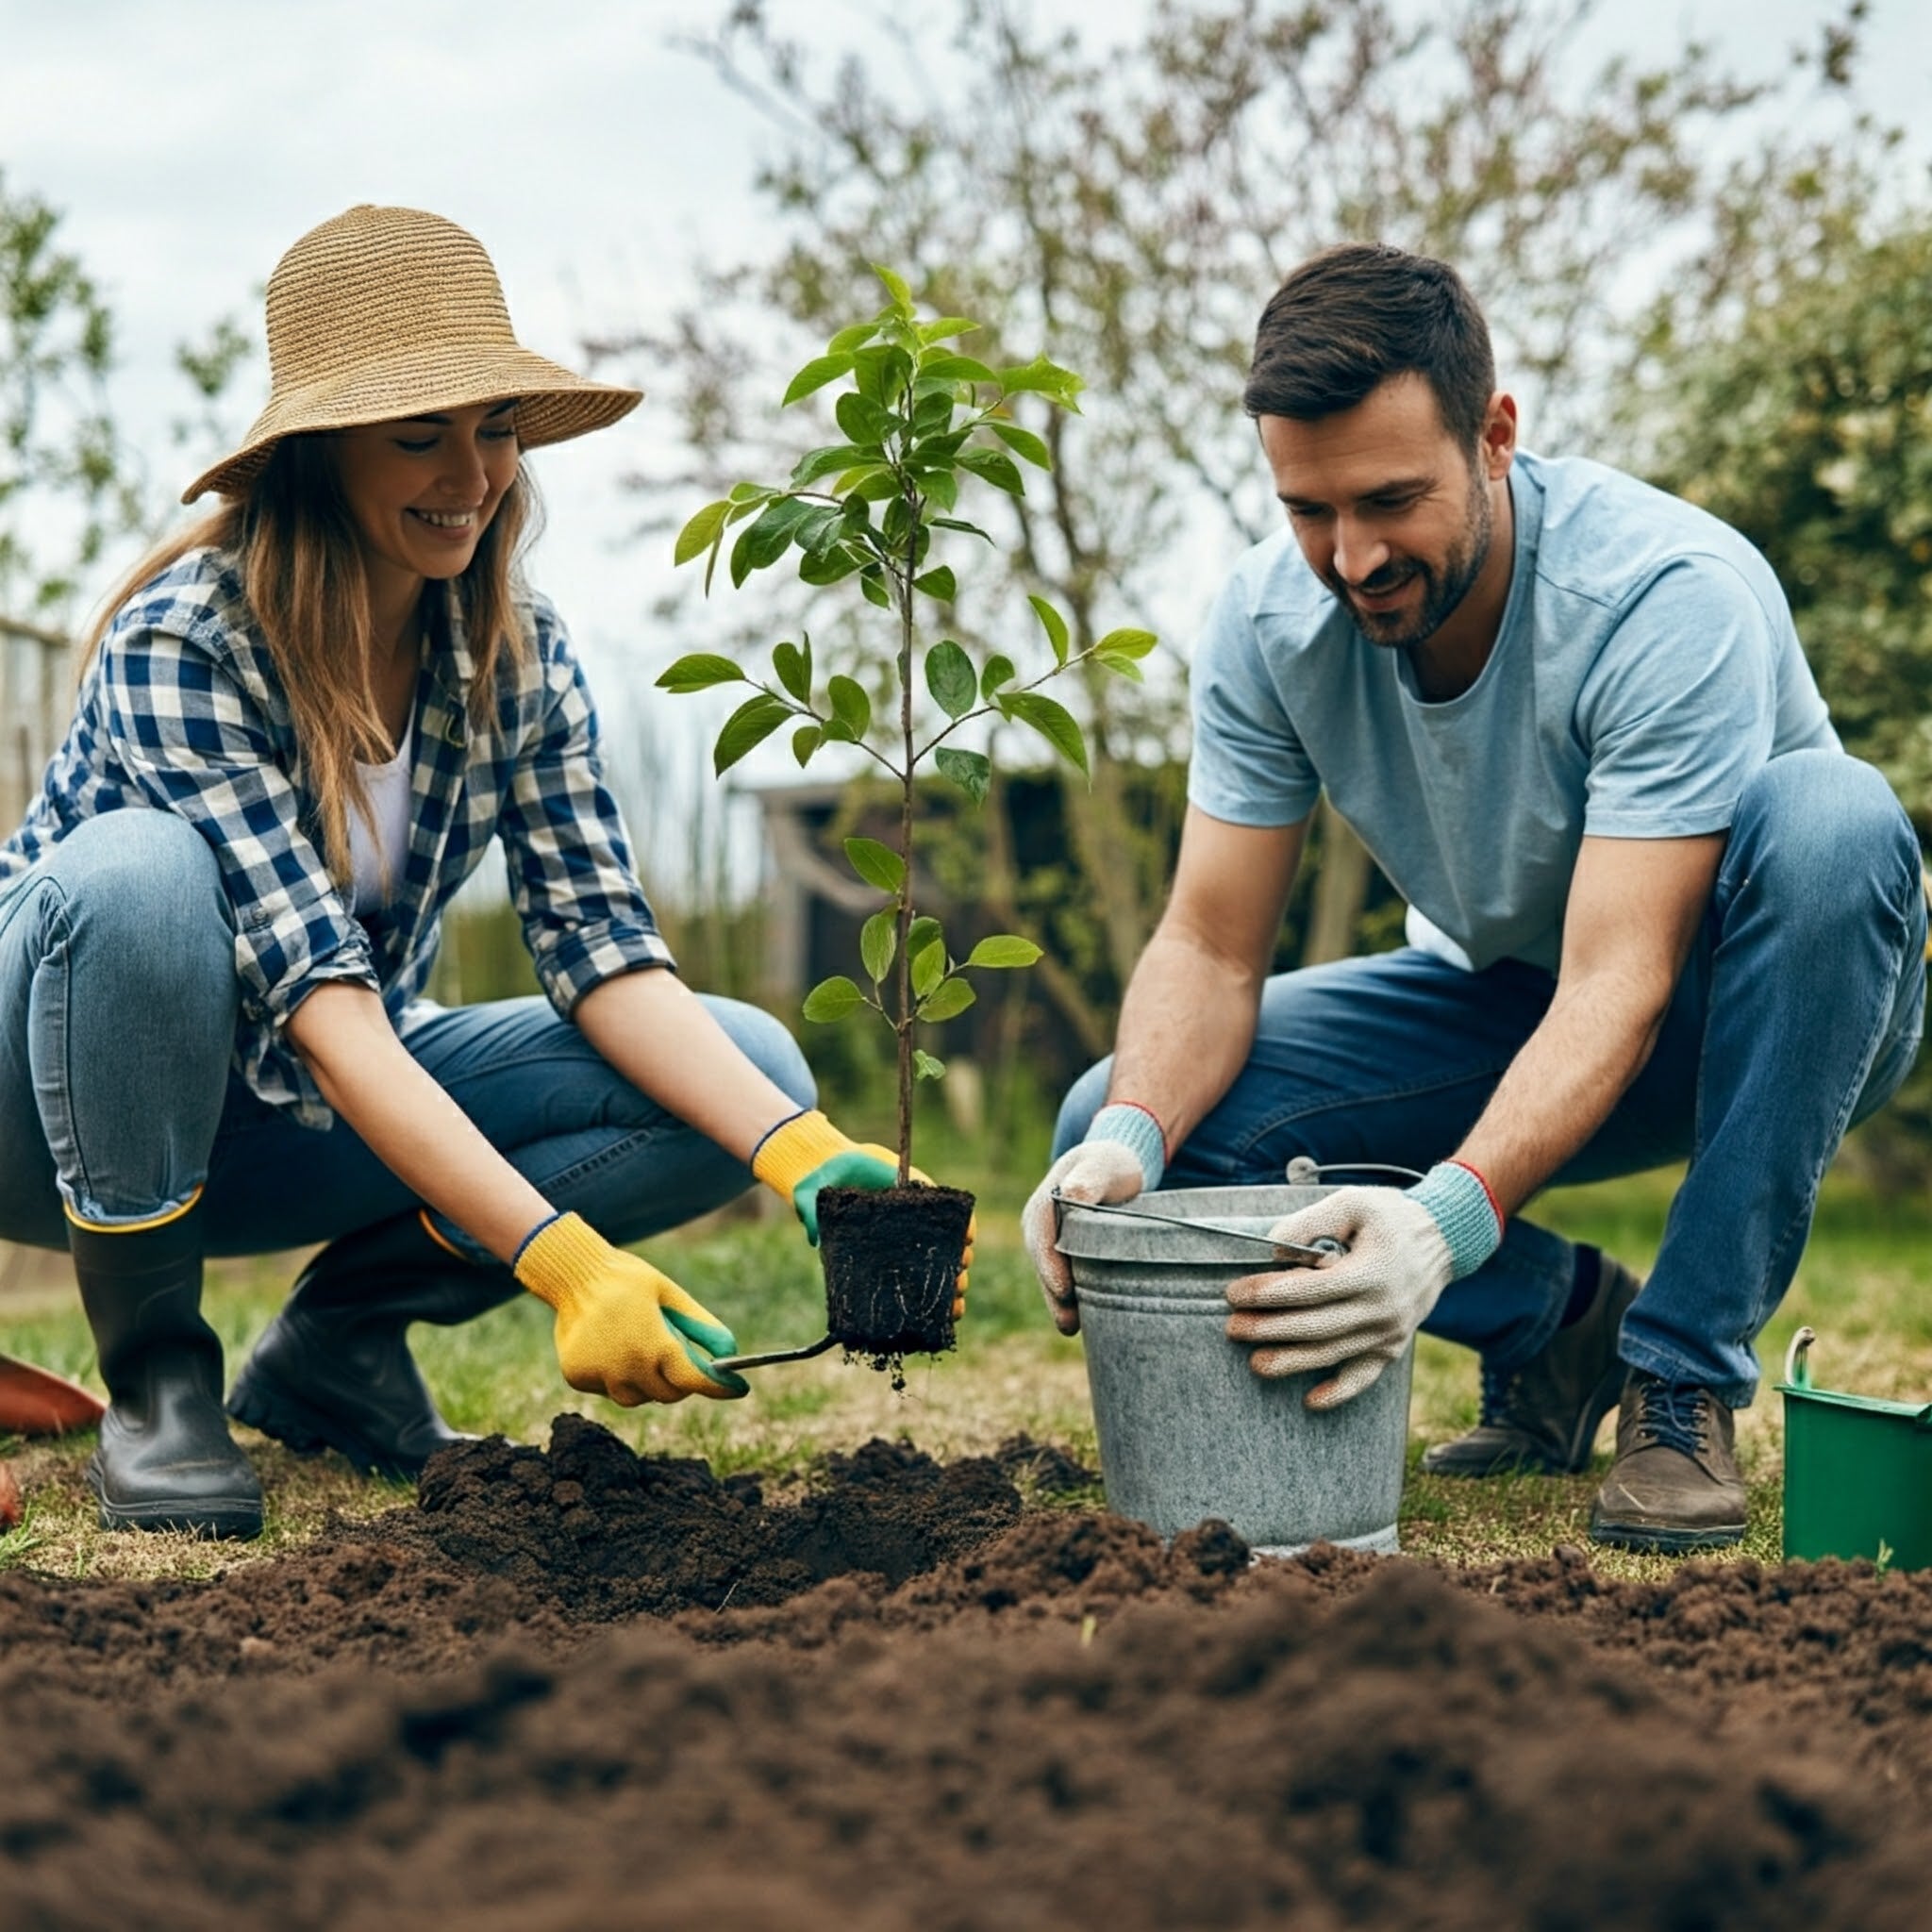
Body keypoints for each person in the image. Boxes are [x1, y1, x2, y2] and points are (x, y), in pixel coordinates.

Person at [0, 205, 944, 1541]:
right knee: (140, 879)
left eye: (495, 425)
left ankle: (336, 1347)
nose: (474, 470)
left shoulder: (516, 657)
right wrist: (559, 1260)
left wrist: (804, 1158)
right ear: (318, 456)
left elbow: (604, 954)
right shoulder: (185, 641)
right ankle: (158, 1384)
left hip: (277, 1127)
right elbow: (325, 1005)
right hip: (43, 1117)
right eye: (419, 434)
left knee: (753, 1073)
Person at [1024, 242, 1924, 1555]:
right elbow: (1210, 948)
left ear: (1495, 435)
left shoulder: (1663, 598)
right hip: (1514, 989)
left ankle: (1679, 1377)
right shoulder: (1270, 628)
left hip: (1766, 994)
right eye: (1308, 510)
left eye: (1392, 499)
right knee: (1119, 1118)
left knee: (1836, 820)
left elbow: (1626, 972)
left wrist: (1442, 1222)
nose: (1353, 556)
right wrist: (1131, 1139)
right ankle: (1564, 1329)